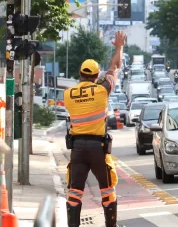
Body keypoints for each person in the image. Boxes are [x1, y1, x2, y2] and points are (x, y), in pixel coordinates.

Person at [64, 31, 126, 227]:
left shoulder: (68, 94)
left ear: (80, 73)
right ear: (96, 75)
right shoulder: (102, 90)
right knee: (107, 191)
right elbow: (115, 66)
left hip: (78, 150)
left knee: (74, 193)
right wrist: (119, 47)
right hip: (98, 148)